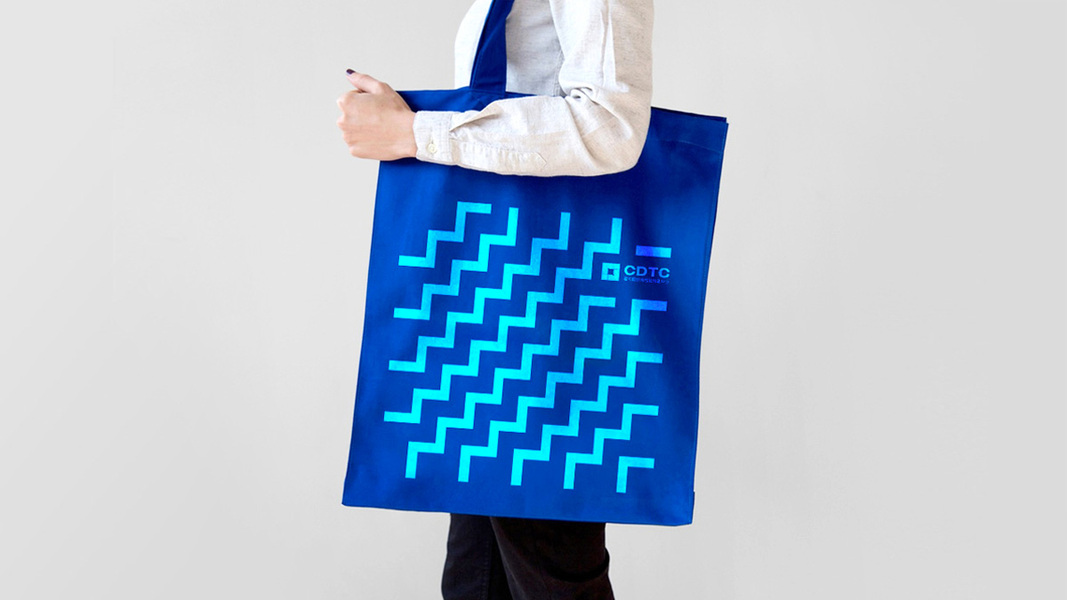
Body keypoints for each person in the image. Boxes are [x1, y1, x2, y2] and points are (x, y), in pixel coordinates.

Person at [336, 0, 654, 597]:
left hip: (540, 317)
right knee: (476, 576)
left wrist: (414, 133)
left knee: (546, 565)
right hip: (501, 318)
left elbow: (612, 126)